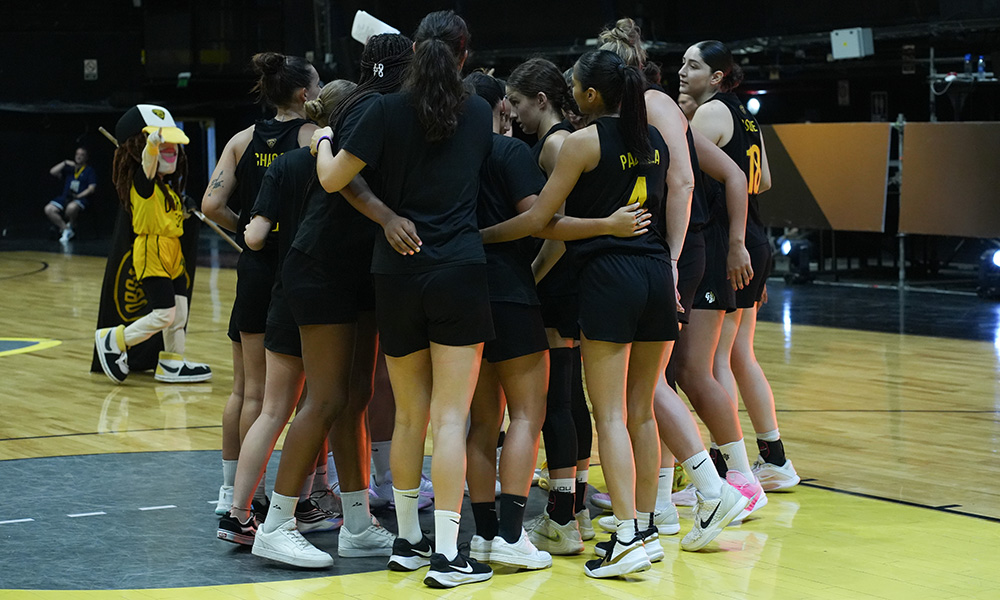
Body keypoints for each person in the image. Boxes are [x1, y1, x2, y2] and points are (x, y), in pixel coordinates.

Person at [311, 11, 496, 588]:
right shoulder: (481, 111)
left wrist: (321, 139)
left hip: (395, 273)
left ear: (415, 50)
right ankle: (448, 555)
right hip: (459, 270)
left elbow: (334, 179)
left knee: (411, 414)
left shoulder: (385, 110)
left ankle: (408, 543)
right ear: (465, 55)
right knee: (450, 415)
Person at [249, 34, 415, 569]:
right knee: (322, 399)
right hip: (320, 268)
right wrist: (388, 218)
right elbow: (342, 181)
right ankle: (275, 524)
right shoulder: (370, 107)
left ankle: (358, 524)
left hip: (355, 270)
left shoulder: (383, 110)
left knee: (355, 398)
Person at [595, 18, 760, 542]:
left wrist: (668, 258)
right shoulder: (644, 107)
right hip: (663, 247)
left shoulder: (655, 103)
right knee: (652, 383)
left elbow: (686, 181)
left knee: (658, 380)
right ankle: (661, 506)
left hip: (678, 247)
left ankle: (718, 489)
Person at [216, 79, 358, 549]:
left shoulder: (283, 166)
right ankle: (312, 499)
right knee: (320, 404)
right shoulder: (350, 170)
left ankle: (237, 514)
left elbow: (254, 237)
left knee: (272, 408)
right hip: (325, 299)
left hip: (280, 290)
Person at [201, 53, 320, 518]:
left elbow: (211, 205)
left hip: (252, 268)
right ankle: (300, 497)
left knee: (246, 393)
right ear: (304, 94)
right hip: (293, 274)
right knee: (304, 395)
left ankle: (233, 494)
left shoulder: (241, 139)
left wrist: (250, 230)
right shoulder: (314, 140)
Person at [681, 40, 800, 494]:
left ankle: (728, 470)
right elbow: (763, 180)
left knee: (714, 363)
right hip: (754, 234)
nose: (682, 71)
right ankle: (773, 456)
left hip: (730, 240)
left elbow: (683, 172)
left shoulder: (710, 114)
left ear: (715, 77)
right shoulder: (747, 115)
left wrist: (733, 241)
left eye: (692, 66)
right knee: (736, 355)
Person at [462, 71, 552, 571]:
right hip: (513, 294)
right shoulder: (510, 154)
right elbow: (540, 219)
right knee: (525, 417)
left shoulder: (450, 157)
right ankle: (512, 538)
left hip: (464, 297)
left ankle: (484, 536)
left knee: (481, 423)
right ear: (497, 107)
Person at [504, 57, 594, 555]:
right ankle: (574, 507)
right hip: (567, 282)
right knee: (568, 395)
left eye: (517, 102)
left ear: (541, 100)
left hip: (558, 282)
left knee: (560, 397)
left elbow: (557, 231)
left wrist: (531, 279)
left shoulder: (556, 143)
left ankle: (563, 517)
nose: (512, 113)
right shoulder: (558, 142)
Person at [94, 105, 211, 385]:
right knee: (164, 314)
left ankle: (172, 362)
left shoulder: (167, 188)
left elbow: (171, 216)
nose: (170, 150)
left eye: (173, 145)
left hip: (173, 253)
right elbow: (148, 164)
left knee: (179, 313)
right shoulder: (141, 183)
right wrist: (152, 146)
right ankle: (116, 339)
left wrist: (186, 210)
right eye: (164, 145)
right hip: (152, 252)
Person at [46, 147, 97, 243]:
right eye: (77, 154)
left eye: (82, 155)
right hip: (66, 197)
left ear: (86, 157)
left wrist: (79, 196)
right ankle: (66, 229)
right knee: (48, 209)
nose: (79, 157)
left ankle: (71, 225)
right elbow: (52, 172)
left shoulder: (89, 170)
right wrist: (64, 163)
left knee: (71, 208)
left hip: (80, 198)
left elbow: (91, 188)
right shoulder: (70, 169)